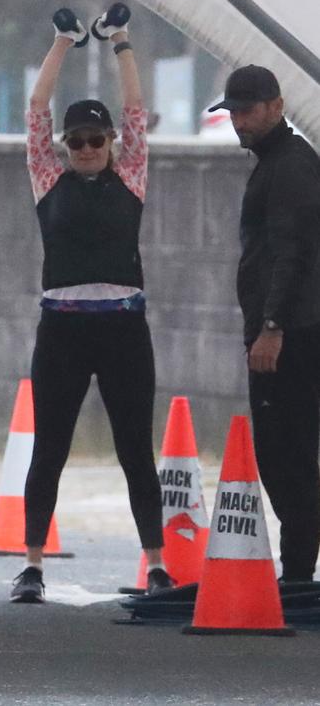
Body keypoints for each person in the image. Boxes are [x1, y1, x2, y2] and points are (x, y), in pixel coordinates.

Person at [10, 5, 172, 603]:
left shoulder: (129, 177)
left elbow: (135, 110)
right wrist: (62, 43)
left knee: (135, 447)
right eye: (75, 140)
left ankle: (155, 562)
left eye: (94, 139)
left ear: (111, 143)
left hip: (124, 328)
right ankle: (31, 564)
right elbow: (35, 114)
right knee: (49, 446)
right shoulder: (48, 181)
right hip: (62, 329)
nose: (83, 148)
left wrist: (121, 43)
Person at [208, 65, 320, 583]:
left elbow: (290, 253)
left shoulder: (291, 167)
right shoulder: (279, 163)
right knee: (286, 454)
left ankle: (296, 574)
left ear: (277, 107)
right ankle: (297, 568)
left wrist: (272, 326)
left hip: (291, 335)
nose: (239, 122)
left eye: (248, 111)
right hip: (287, 331)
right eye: (233, 112)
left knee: (285, 454)